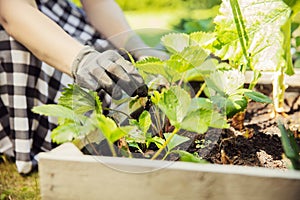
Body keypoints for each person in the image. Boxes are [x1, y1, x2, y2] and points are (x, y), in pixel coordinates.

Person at [0, 0, 168, 174]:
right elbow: (10, 11)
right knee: (85, 95)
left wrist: (139, 48)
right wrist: (81, 60)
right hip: (19, 23)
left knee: (114, 70)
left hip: (60, 15)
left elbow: (97, 3)